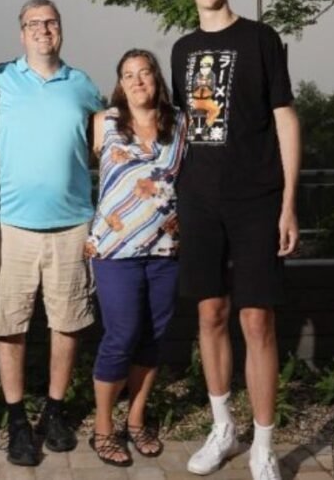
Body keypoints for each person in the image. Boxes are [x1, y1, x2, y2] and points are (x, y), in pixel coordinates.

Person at [170, 0, 302, 480]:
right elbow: (176, 128)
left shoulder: (261, 39)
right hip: (199, 201)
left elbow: (286, 120)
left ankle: (264, 444)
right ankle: (223, 426)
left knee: (257, 320)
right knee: (210, 313)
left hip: (257, 201)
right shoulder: (180, 50)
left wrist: (289, 203)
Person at [0, 0, 105, 467]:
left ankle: (54, 411)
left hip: (73, 224)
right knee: (8, 325)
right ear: (21, 33)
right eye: (33, 23)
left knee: (67, 322)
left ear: (61, 30)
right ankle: (16, 420)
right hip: (11, 225)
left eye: (50, 22)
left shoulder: (83, 85)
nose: (43, 30)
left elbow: (107, 148)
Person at [85, 49, 187, 467]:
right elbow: (67, 166)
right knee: (121, 334)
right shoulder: (103, 123)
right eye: (128, 75)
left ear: (156, 78)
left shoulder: (180, 123)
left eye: (144, 73)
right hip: (114, 249)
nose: (137, 80)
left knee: (153, 337)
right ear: (120, 83)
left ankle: (137, 419)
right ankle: (103, 428)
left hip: (166, 249)